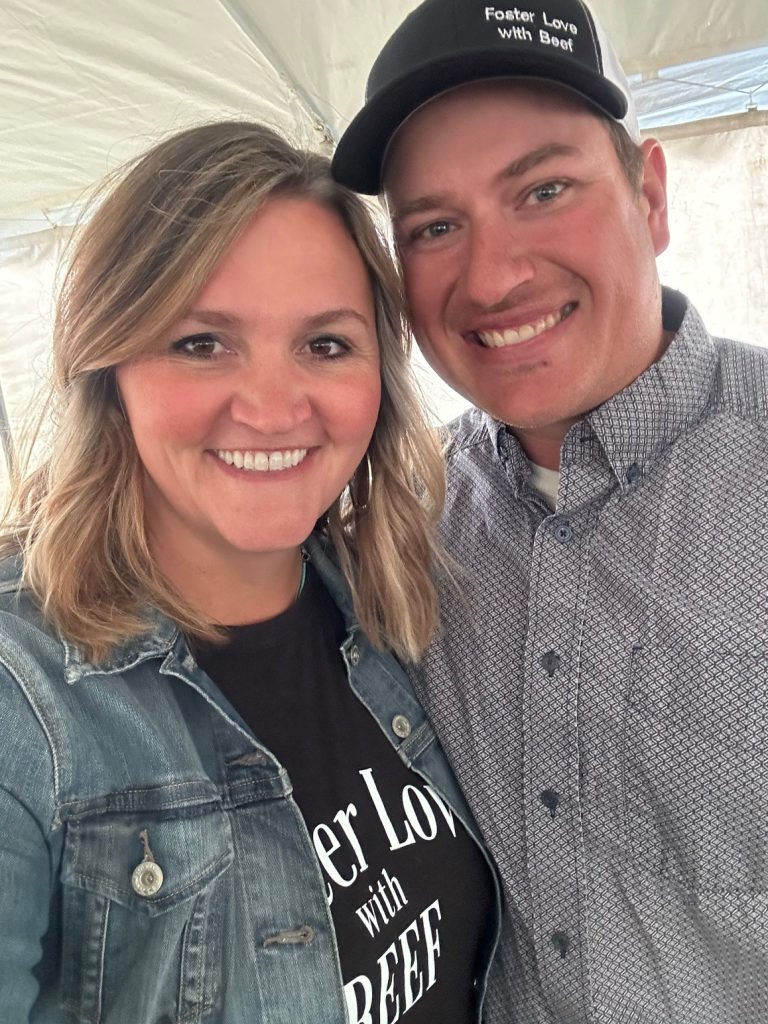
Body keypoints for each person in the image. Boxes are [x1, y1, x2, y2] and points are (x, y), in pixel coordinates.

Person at [0, 120, 501, 1023]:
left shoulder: (392, 608)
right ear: (109, 363)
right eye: (203, 342)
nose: (273, 409)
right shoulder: (21, 697)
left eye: (326, 344)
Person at [332, 1, 768, 1022]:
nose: (491, 276)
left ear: (650, 196)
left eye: (543, 189)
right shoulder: (404, 523)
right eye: (435, 227)